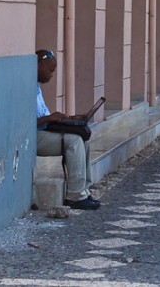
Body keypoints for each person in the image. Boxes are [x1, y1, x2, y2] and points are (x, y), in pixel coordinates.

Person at [35, 49, 100, 210]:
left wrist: (69, 119)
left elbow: (44, 115)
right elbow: (24, 123)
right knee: (74, 140)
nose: (51, 75)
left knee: (82, 136)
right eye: (50, 70)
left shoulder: (36, 86)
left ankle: (84, 190)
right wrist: (49, 118)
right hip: (34, 136)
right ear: (38, 65)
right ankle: (75, 196)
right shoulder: (25, 88)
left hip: (45, 130)